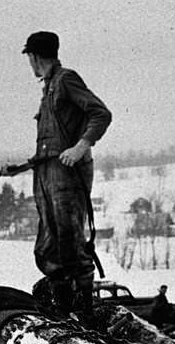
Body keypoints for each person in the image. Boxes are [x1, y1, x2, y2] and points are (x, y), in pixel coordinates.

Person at [6, 31, 112, 318]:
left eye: (29, 57)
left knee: (70, 242)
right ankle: (63, 312)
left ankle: (84, 313)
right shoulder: (49, 87)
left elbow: (101, 114)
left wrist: (81, 146)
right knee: (48, 246)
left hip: (66, 177)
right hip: (46, 175)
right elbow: (52, 143)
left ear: (35, 56)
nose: (29, 63)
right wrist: (20, 168)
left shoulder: (66, 79)